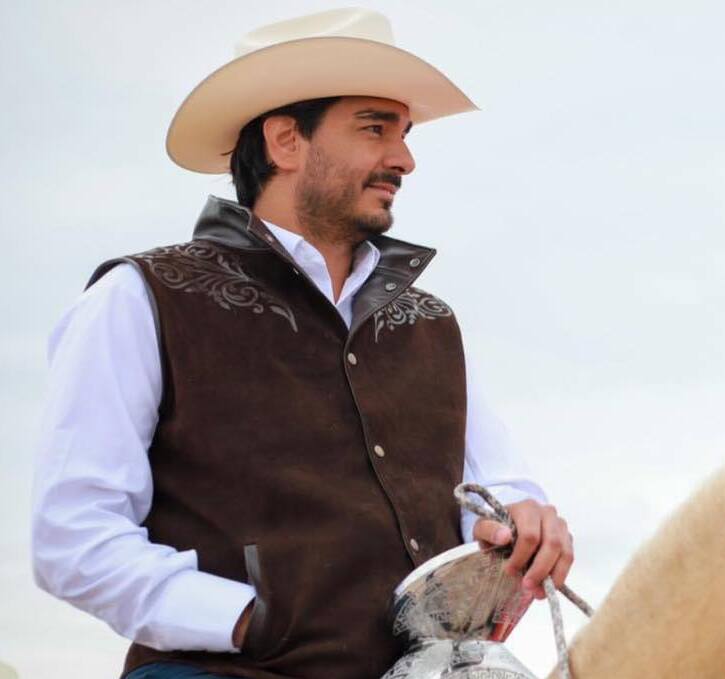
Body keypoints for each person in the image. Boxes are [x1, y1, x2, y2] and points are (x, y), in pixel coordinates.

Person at [31, 9, 574, 679]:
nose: (404, 159)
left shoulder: (430, 324)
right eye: (374, 128)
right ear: (286, 141)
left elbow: (498, 492)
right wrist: (250, 619)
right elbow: (73, 536)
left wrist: (523, 529)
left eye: (403, 134)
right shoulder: (140, 297)